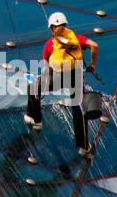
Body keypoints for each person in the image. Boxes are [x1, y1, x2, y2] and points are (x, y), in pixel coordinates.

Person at [24, 11, 100, 155]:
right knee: (78, 110)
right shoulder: (75, 38)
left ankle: (36, 120)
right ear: (65, 25)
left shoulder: (49, 44)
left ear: (52, 27)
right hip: (76, 78)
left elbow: (47, 68)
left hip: (58, 77)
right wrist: (92, 64)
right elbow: (94, 45)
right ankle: (84, 147)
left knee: (33, 88)